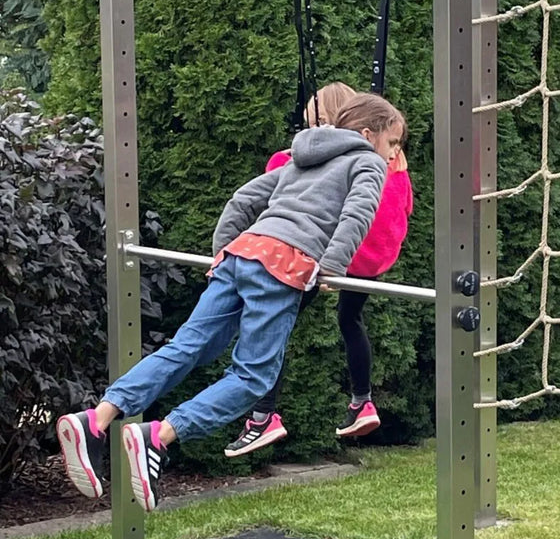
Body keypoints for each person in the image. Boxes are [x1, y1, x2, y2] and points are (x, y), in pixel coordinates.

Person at [56, 93, 405, 512]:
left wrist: (222, 250)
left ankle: (96, 419)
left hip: (242, 252)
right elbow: (358, 214)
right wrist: (332, 266)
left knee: (187, 346)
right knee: (253, 377)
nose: (392, 154)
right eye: (392, 143)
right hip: (283, 265)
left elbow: (242, 200)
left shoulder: (302, 157)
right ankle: (158, 436)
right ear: (367, 134)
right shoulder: (366, 161)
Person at [223, 82, 413, 456]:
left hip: (333, 257)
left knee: (274, 323)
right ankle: (362, 401)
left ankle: (262, 416)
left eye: (315, 123)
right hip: (371, 262)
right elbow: (403, 208)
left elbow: (282, 186)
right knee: (350, 320)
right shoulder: (395, 165)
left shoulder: (327, 162)